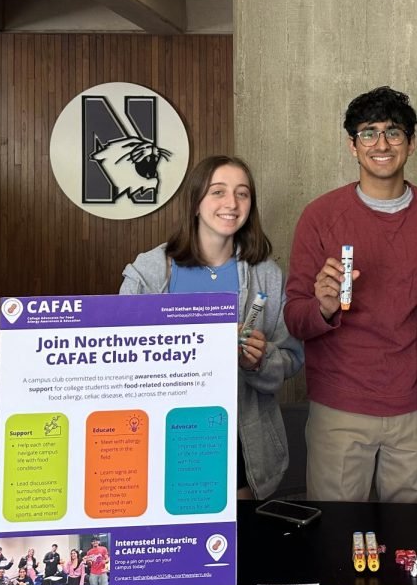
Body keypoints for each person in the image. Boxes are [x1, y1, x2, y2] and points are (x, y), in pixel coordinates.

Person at [285, 86, 417, 502]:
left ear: (411, 144)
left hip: (416, 405)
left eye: (393, 132)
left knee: (409, 540)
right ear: (352, 145)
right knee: (336, 540)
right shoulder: (320, 216)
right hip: (339, 406)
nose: (381, 144)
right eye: (368, 133)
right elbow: (294, 318)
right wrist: (322, 309)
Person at [121, 155, 305, 500]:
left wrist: (260, 360)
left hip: (238, 438)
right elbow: (119, 360)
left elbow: (292, 358)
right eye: (218, 192)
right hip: (161, 437)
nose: (231, 204)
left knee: (240, 546)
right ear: (195, 202)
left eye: (242, 193)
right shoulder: (149, 273)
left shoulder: (266, 274)